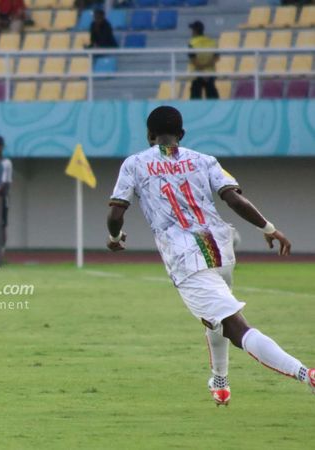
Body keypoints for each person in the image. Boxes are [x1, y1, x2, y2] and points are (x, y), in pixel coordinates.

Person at [106, 106, 314, 406]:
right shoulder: (204, 160)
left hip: (184, 257)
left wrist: (114, 237)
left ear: (149, 135)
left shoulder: (135, 164)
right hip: (220, 247)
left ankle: (306, 374)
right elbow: (233, 198)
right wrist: (269, 228)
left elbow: (116, 212)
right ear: (182, 135)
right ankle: (220, 380)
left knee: (234, 326)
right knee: (216, 318)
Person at [188, 21, 219, 100]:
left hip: (197, 74)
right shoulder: (212, 42)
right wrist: (206, 69)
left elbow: (193, 60)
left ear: (195, 31)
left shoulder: (192, 43)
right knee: (213, 98)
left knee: (195, 99)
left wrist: (202, 70)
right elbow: (216, 58)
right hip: (210, 73)